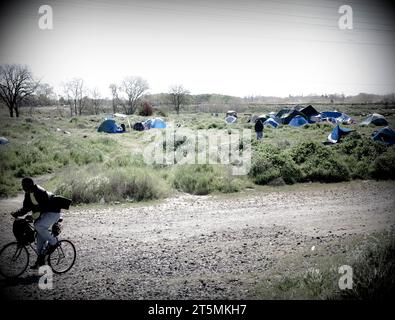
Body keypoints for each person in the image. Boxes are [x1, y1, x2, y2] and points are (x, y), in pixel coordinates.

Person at [11, 177, 61, 269]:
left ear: (30, 184)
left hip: (52, 212)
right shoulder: (28, 193)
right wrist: (17, 213)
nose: (23, 187)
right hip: (44, 213)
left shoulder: (39, 192)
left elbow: (42, 208)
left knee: (38, 225)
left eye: (24, 185)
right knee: (39, 243)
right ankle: (40, 262)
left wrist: (32, 217)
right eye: (22, 185)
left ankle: (54, 242)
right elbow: (26, 208)